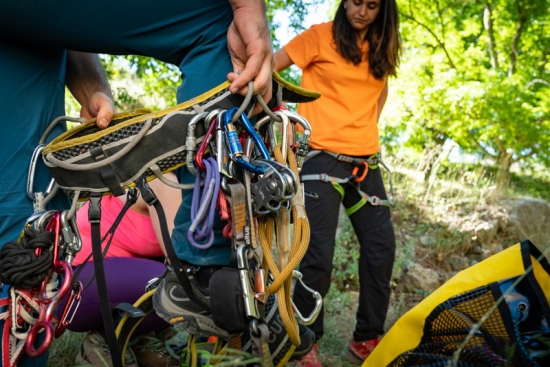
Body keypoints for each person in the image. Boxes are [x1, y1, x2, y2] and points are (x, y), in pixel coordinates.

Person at [0, 0, 273, 365]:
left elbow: (62, 29)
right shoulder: (163, 183)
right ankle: (214, 273)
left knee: (23, 237)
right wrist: (246, 6)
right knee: (221, 25)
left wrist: (94, 91)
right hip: (84, 281)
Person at [274, 0, 401, 365]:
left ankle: (367, 338)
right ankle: (305, 343)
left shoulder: (380, 48)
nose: (361, 10)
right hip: (319, 158)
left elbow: (380, 92)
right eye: (355, 1)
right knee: (316, 256)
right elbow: (271, 69)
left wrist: (363, 131)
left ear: (383, 11)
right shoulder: (319, 37)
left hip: (366, 164)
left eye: (372, 5)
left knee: (381, 249)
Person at [66, 174, 182, 366]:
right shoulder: (162, 179)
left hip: (103, 280)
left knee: (177, 279)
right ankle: (104, 343)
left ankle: (138, 340)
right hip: (76, 290)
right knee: (179, 284)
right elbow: (179, 260)